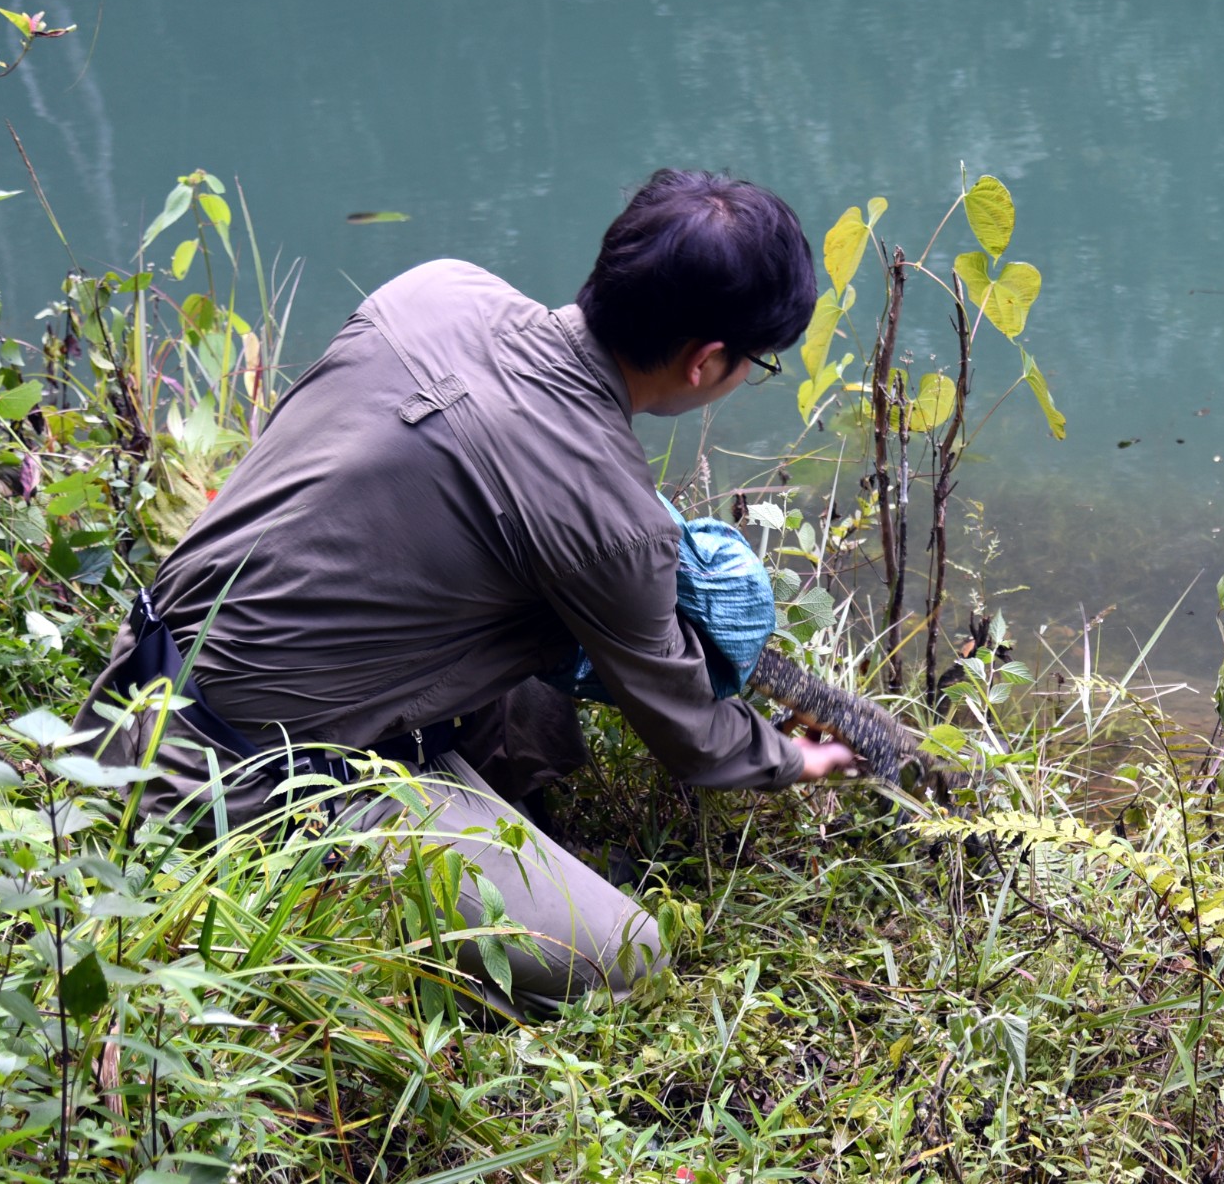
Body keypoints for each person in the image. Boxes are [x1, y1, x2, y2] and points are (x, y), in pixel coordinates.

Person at [75, 168, 858, 1018]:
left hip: (133, 688)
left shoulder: (436, 289)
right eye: (758, 363)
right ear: (707, 363)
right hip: (225, 783)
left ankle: (500, 822)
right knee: (628, 956)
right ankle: (393, 865)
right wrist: (802, 757)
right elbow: (696, 739)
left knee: (526, 622)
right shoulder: (615, 521)